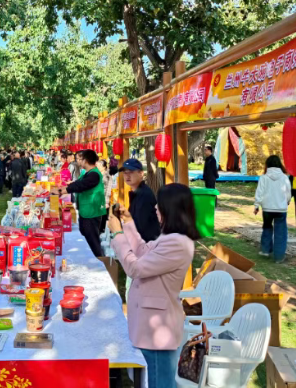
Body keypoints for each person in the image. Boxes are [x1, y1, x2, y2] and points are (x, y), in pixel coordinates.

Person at [108, 183, 199, 388]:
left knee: (159, 381)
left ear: (171, 208)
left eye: (160, 204)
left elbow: (135, 268)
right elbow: (142, 251)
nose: (156, 207)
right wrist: (128, 223)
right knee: (153, 379)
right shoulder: (170, 238)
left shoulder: (177, 243)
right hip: (151, 324)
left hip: (158, 330)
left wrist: (118, 235)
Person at [54, 149, 106, 258]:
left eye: (80, 159)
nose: (79, 161)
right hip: (86, 211)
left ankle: (99, 261)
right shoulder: (87, 173)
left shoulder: (94, 174)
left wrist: (62, 191)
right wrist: (63, 188)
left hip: (91, 212)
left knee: (92, 241)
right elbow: (77, 183)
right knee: (86, 237)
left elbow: (80, 185)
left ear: (86, 160)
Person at [254, 155, 291, 263]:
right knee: (280, 232)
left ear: (267, 165)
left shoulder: (264, 177)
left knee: (267, 227)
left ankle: (265, 250)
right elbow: (288, 192)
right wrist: (287, 201)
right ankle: (279, 257)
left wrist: (256, 205)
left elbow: (259, 192)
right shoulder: (284, 177)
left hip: (267, 208)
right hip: (280, 209)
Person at [120, 158, 160, 242]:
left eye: (131, 172)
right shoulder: (138, 192)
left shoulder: (144, 195)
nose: (127, 176)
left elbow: (140, 225)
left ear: (141, 173)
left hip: (147, 243)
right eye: (125, 173)